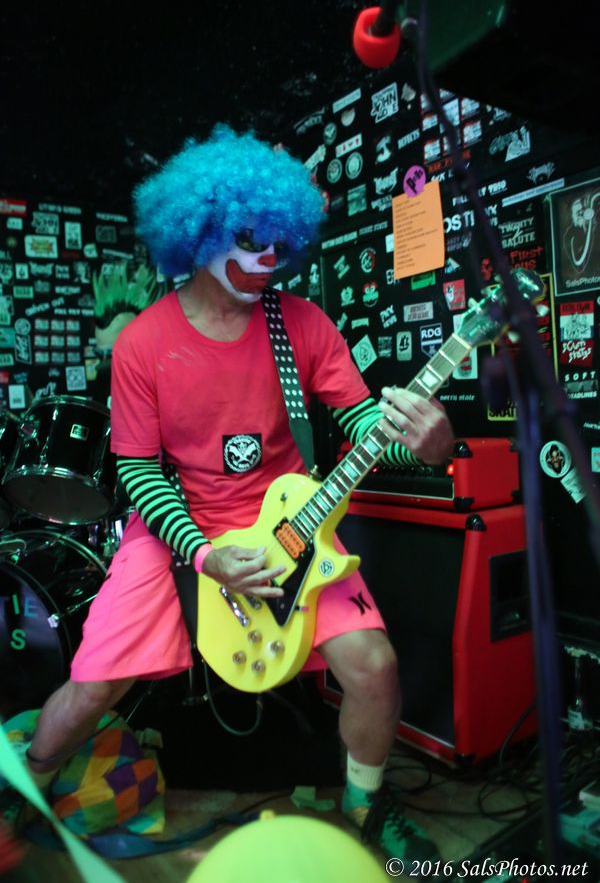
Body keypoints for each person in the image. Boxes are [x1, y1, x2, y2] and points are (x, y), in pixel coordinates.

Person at [23, 125, 454, 861]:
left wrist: (422, 442)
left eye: (280, 244)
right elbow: (137, 469)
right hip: (181, 532)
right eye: (250, 240)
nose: (266, 261)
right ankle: (25, 785)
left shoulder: (302, 324)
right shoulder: (143, 344)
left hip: (293, 526)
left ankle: (364, 809)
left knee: (375, 668)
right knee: (93, 685)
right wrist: (202, 552)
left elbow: (359, 422)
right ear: (199, 231)